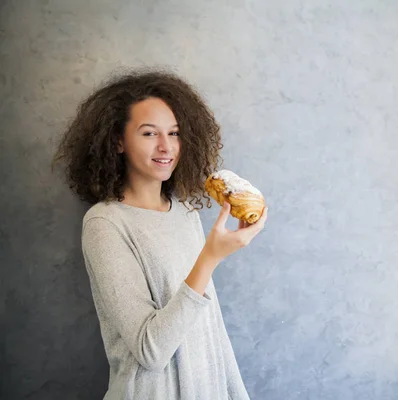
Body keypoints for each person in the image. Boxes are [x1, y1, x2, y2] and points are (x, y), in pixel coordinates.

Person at [52, 68, 267, 399]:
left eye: (175, 133)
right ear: (118, 141)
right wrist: (210, 258)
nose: (166, 147)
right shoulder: (105, 224)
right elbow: (150, 351)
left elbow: (210, 328)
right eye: (150, 134)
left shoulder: (185, 211)